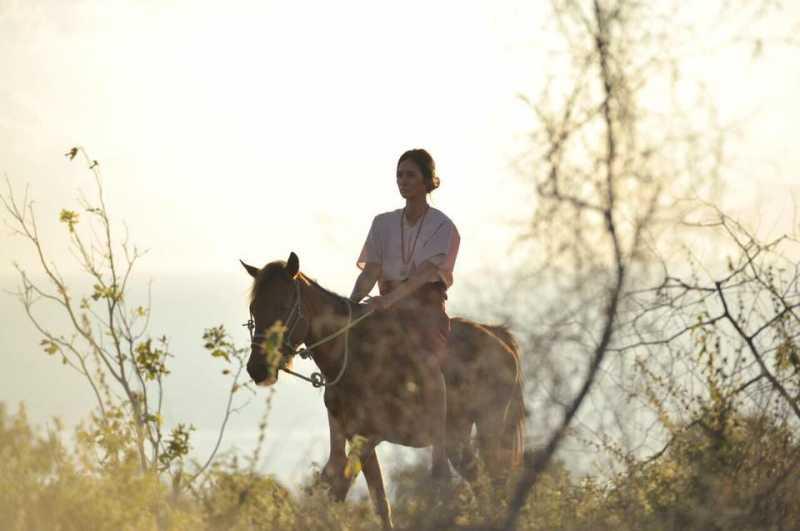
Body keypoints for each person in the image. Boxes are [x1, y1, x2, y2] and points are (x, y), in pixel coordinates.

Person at [349, 148, 460, 367]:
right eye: (399, 175)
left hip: (425, 312)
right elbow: (370, 272)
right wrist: (348, 307)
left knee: (427, 366)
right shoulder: (382, 223)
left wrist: (388, 301)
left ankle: (436, 401)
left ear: (427, 180)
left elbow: (423, 274)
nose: (403, 180)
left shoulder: (443, 226)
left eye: (410, 175)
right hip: (384, 308)